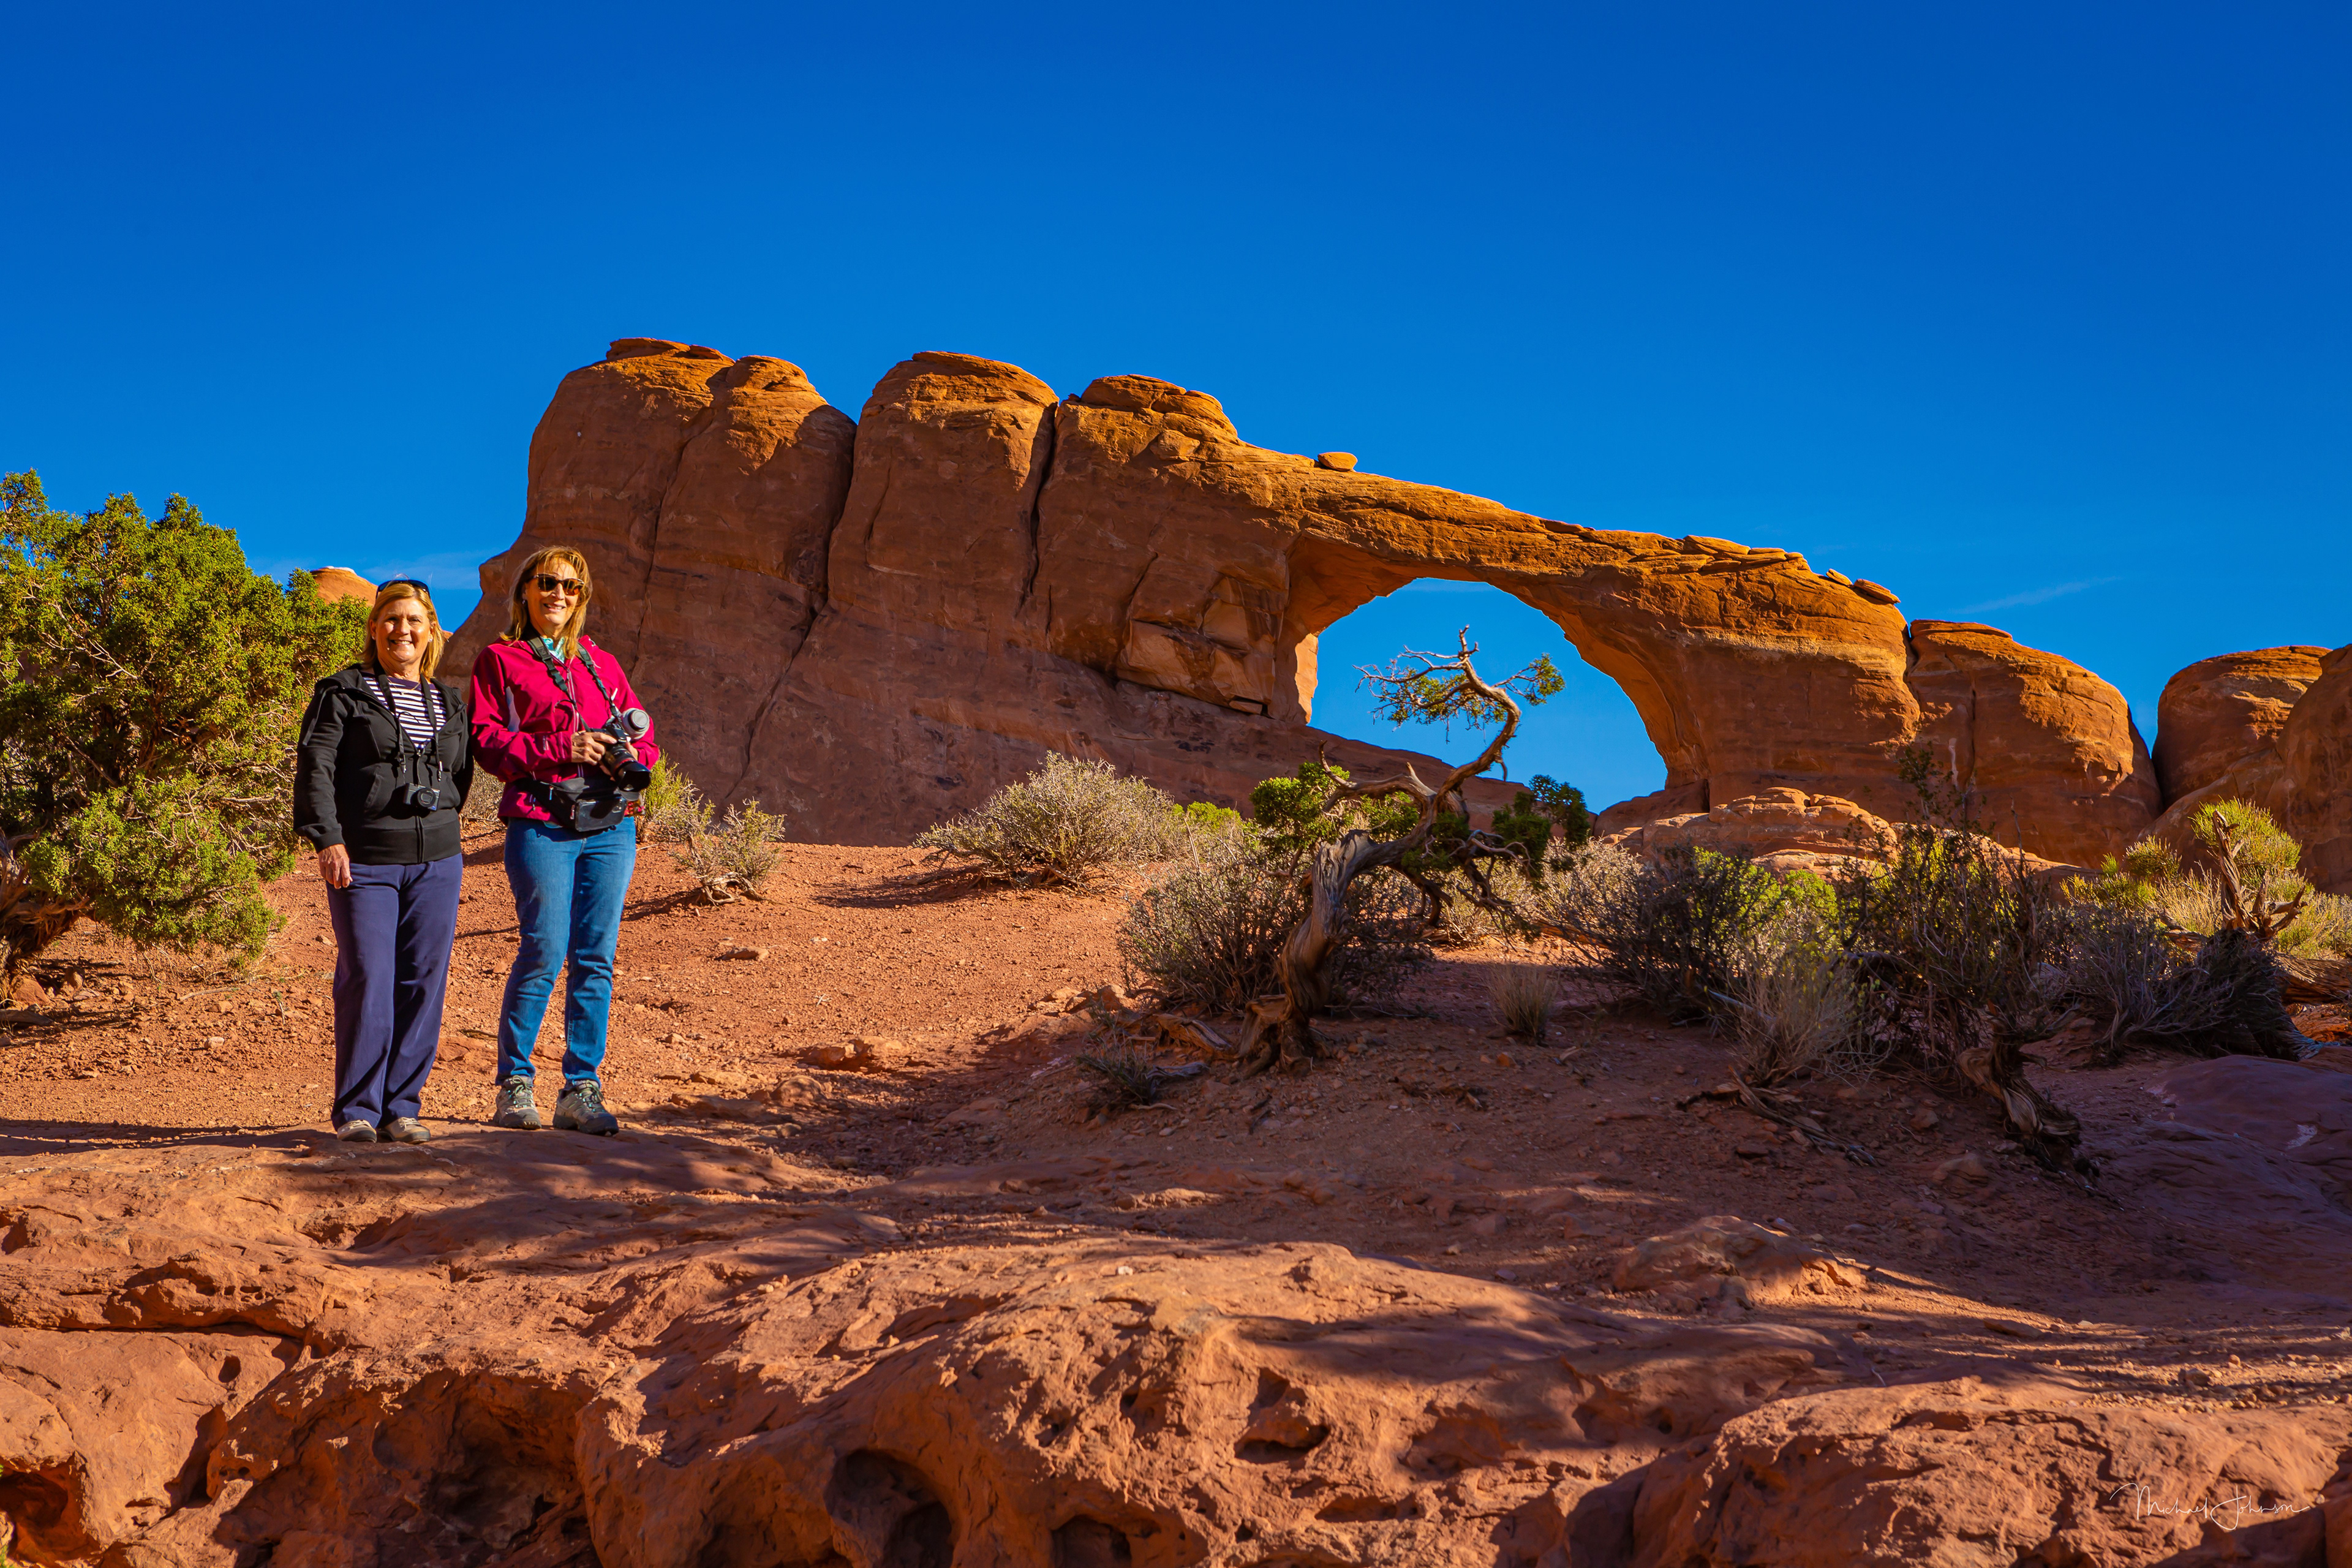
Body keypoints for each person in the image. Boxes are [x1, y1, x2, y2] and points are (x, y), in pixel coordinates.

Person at [469, 546, 660, 1136]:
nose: (558, 595)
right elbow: (487, 742)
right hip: (542, 821)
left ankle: (581, 1089)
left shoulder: (602, 664)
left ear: (582, 598)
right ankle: (514, 1086)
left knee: (596, 958)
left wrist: (629, 756)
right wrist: (562, 748)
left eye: (571, 587)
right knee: (545, 951)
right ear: (525, 590)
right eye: (547, 583)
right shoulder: (500, 660)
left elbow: (644, 738)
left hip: (610, 827)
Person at [294, 579, 473, 1144]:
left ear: (432, 631)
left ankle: (403, 1108)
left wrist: (438, 820)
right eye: (392, 619)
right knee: (368, 976)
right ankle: (359, 1110)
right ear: (374, 628)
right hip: (365, 859)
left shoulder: (447, 701)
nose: (403, 630)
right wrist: (328, 837)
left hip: (437, 862)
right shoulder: (343, 693)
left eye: (415, 620)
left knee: (424, 980)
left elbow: (461, 776)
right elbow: (316, 765)